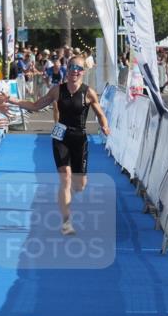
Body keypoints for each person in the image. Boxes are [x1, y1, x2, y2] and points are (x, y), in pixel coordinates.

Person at [12, 55, 109, 235]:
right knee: (65, 178)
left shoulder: (89, 92)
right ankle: (66, 222)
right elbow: (35, 106)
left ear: (83, 72)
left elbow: (101, 114)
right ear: (67, 69)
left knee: (80, 185)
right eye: (71, 67)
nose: (74, 71)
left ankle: (72, 189)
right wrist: (13, 101)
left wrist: (104, 125)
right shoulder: (57, 90)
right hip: (61, 136)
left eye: (78, 68)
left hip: (79, 138)